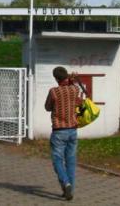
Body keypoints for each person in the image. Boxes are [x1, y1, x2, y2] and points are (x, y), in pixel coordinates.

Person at [45, 66, 82, 201]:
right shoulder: (75, 89)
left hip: (59, 131)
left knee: (57, 161)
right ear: (66, 76)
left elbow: (47, 107)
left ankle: (66, 183)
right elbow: (76, 94)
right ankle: (70, 190)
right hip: (73, 130)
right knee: (71, 161)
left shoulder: (54, 92)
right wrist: (72, 79)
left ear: (56, 78)